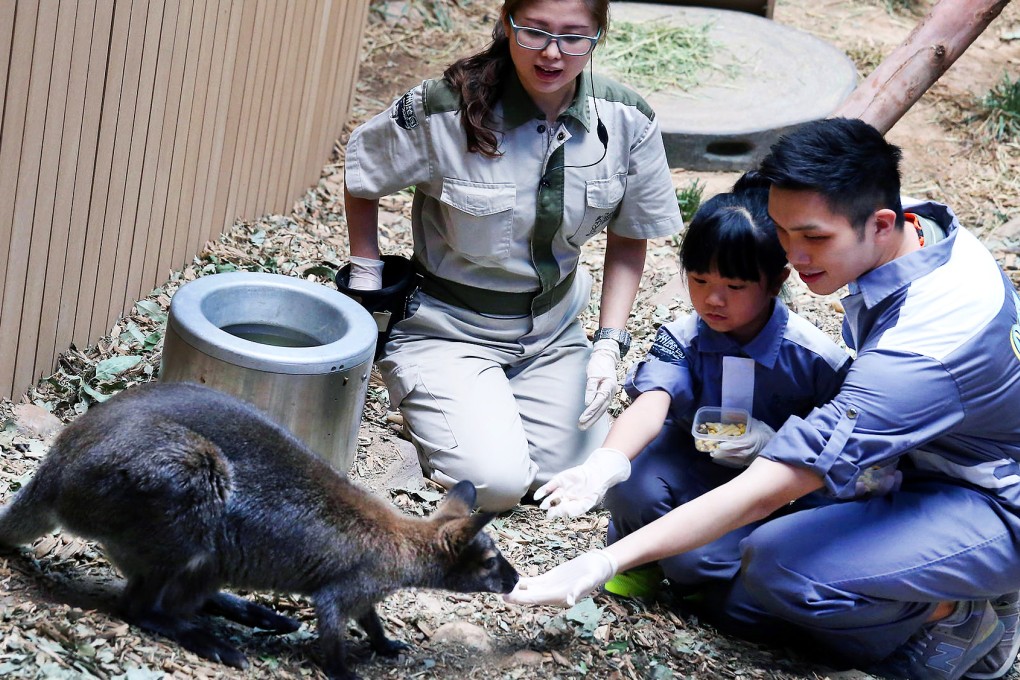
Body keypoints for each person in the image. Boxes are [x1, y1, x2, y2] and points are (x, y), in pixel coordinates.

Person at [506, 117, 1020, 680]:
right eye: (782, 233)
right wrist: (607, 464)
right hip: (918, 457)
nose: (794, 257)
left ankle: (956, 614)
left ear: (880, 224)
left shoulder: (919, 351)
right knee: (730, 575)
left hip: (984, 494)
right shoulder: (913, 223)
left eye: (815, 239)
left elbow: (778, 482)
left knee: (781, 569)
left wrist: (605, 560)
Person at [343, 0, 683, 512]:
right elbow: (363, 173)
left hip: (552, 332)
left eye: (573, 36)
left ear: (597, 35)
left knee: (591, 479)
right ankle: (444, 404)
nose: (552, 53)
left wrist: (609, 343)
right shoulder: (442, 109)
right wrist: (367, 273)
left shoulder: (626, 119)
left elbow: (630, 236)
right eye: (535, 32)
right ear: (507, 25)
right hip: (449, 329)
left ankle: (489, 411)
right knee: (497, 485)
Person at [532, 172, 851, 598]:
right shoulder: (684, 336)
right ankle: (640, 562)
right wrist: (603, 464)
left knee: (694, 561)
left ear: (776, 281)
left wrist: (776, 444)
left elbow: (849, 449)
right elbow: (652, 402)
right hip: (690, 462)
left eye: (734, 287)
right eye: (700, 281)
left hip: (767, 487)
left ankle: (710, 575)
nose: (713, 300)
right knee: (628, 485)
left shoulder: (817, 358)